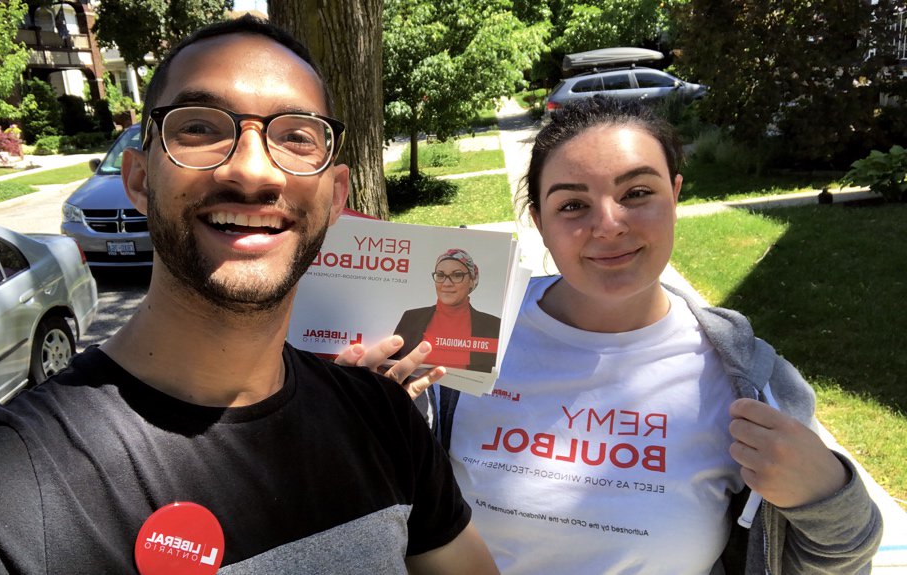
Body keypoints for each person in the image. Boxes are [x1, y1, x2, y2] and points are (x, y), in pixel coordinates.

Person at [0, 16, 496, 575]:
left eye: (297, 136)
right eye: (200, 128)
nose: (254, 171)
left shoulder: (381, 417)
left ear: (336, 199)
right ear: (140, 180)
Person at [341, 96, 882, 574]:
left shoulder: (750, 382)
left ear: (674, 194)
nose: (608, 225)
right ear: (539, 221)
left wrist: (828, 494)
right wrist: (357, 417)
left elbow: (838, 559)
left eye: (637, 192)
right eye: (572, 204)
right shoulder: (467, 343)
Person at [392, 248, 501, 373]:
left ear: (471, 280)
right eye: (441, 275)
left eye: (457, 275)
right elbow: (392, 363)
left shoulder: (494, 326)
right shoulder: (411, 318)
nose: (446, 283)